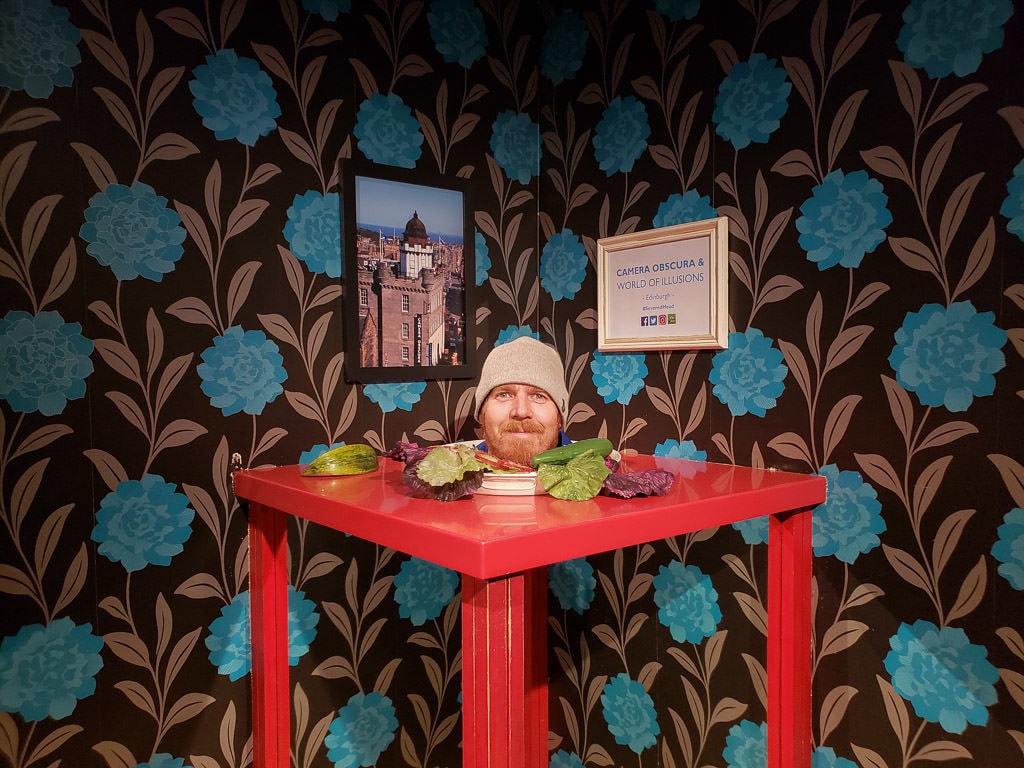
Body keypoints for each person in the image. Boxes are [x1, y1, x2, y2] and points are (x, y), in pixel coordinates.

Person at [474, 336, 572, 465]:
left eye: (539, 396)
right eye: (504, 395)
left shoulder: (597, 480)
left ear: (559, 417)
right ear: (482, 413)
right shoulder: (451, 480)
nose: (521, 411)